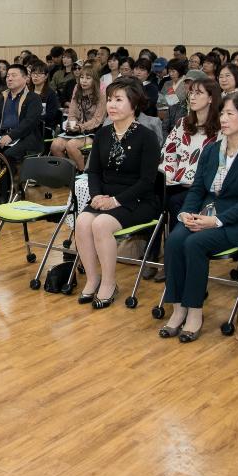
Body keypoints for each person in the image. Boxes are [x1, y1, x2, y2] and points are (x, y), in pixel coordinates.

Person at [160, 93, 238, 341]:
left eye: (230, 113)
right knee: (176, 239)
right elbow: (198, 189)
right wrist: (186, 214)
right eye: (222, 113)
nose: (223, 118)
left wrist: (216, 221)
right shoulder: (211, 151)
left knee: (194, 243)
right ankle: (178, 309)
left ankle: (195, 312)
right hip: (205, 214)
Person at [74, 79, 162, 310]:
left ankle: (110, 284)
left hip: (138, 200)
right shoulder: (103, 134)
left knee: (101, 224)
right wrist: (95, 196)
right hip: (106, 197)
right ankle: (93, 279)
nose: (112, 105)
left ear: (134, 104)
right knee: (83, 221)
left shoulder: (147, 136)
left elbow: (147, 181)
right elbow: (93, 171)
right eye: (110, 99)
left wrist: (115, 200)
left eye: (118, 100)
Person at [159, 77, 222, 228]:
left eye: (198, 93)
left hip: (202, 187)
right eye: (191, 93)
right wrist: (168, 177)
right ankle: (153, 249)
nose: (192, 97)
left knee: (175, 201)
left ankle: (175, 243)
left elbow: (220, 164)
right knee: (154, 196)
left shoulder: (221, 128)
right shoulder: (182, 123)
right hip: (176, 182)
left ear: (211, 98)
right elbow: (169, 152)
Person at [52, 60, 103, 168]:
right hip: (77, 130)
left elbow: (98, 120)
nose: (84, 81)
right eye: (82, 78)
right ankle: (69, 171)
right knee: (55, 145)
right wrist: (71, 125)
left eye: (88, 78)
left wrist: (81, 127)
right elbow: (72, 112)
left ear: (95, 81)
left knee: (71, 145)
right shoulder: (77, 89)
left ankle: (83, 173)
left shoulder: (101, 95)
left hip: (94, 131)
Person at [0, 64, 43, 162]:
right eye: (7, 76)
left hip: (25, 136)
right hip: (2, 134)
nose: (9, 79)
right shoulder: (2, 97)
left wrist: (11, 135)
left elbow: (30, 122)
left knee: (8, 154)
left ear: (25, 78)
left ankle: (9, 177)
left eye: (13, 75)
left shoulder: (33, 98)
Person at [27, 61, 63, 135]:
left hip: (45, 127)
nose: (35, 76)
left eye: (39, 74)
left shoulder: (51, 94)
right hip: (27, 126)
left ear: (46, 76)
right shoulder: (27, 92)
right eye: (33, 73)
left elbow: (51, 116)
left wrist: (32, 120)